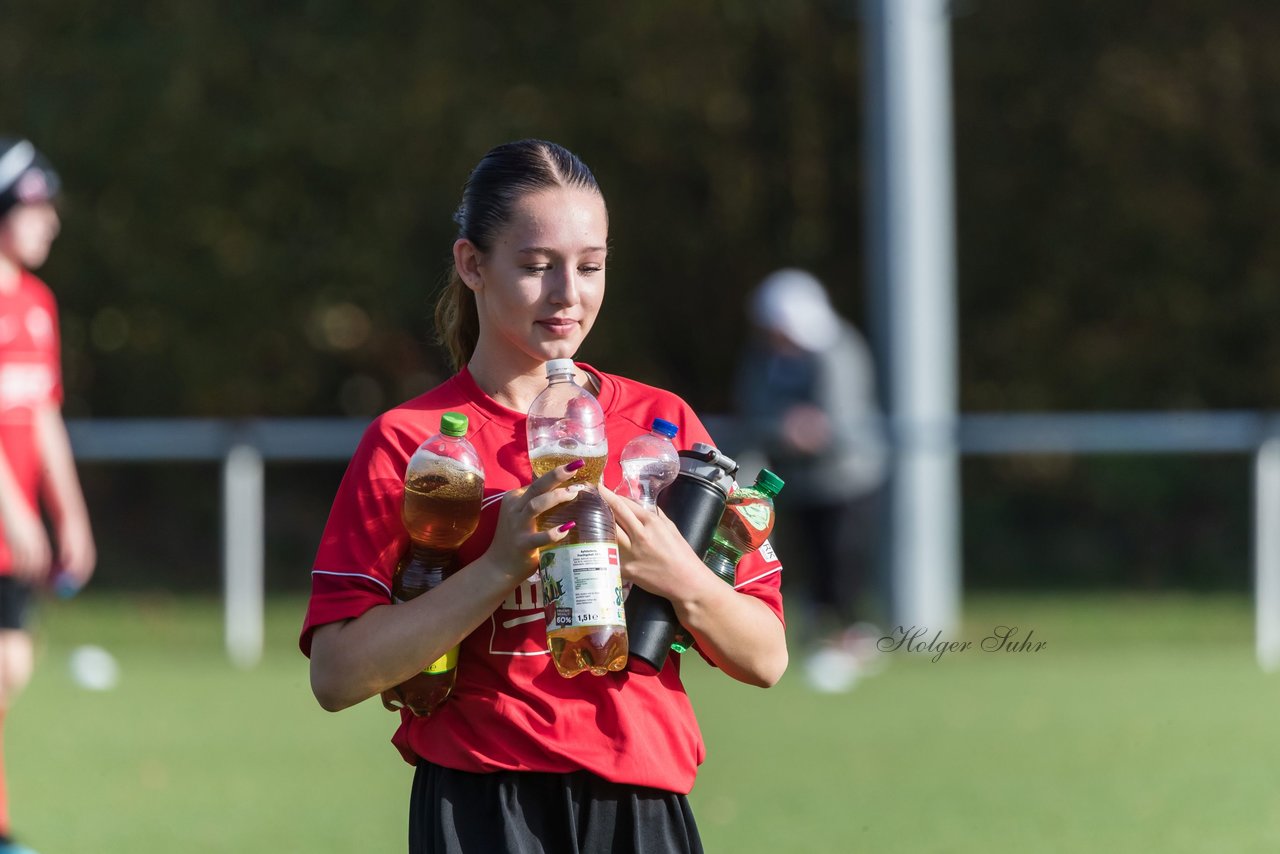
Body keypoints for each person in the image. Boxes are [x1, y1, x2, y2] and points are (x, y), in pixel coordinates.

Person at [301, 139, 787, 854]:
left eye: (591, 267)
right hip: (480, 803)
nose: (569, 294)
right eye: (536, 267)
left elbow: (766, 657)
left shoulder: (663, 428)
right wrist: (496, 568)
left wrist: (671, 569)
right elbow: (338, 675)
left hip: (640, 801)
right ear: (473, 264)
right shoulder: (414, 442)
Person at [0, 138, 97, 854]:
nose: (50, 223)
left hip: (17, 533)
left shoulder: (37, 303)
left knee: (12, 667)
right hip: (8, 525)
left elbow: (43, 414)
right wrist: (15, 511)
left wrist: (71, 514)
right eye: (35, 207)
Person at [734, 268, 888, 694]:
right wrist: (787, 429)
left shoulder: (840, 347)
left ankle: (846, 642)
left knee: (844, 561)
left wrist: (814, 431)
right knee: (810, 565)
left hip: (850, 477)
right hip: (797, 482)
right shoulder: (762, 359)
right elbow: (756, 413)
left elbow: (840, 418)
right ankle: (824, 639)